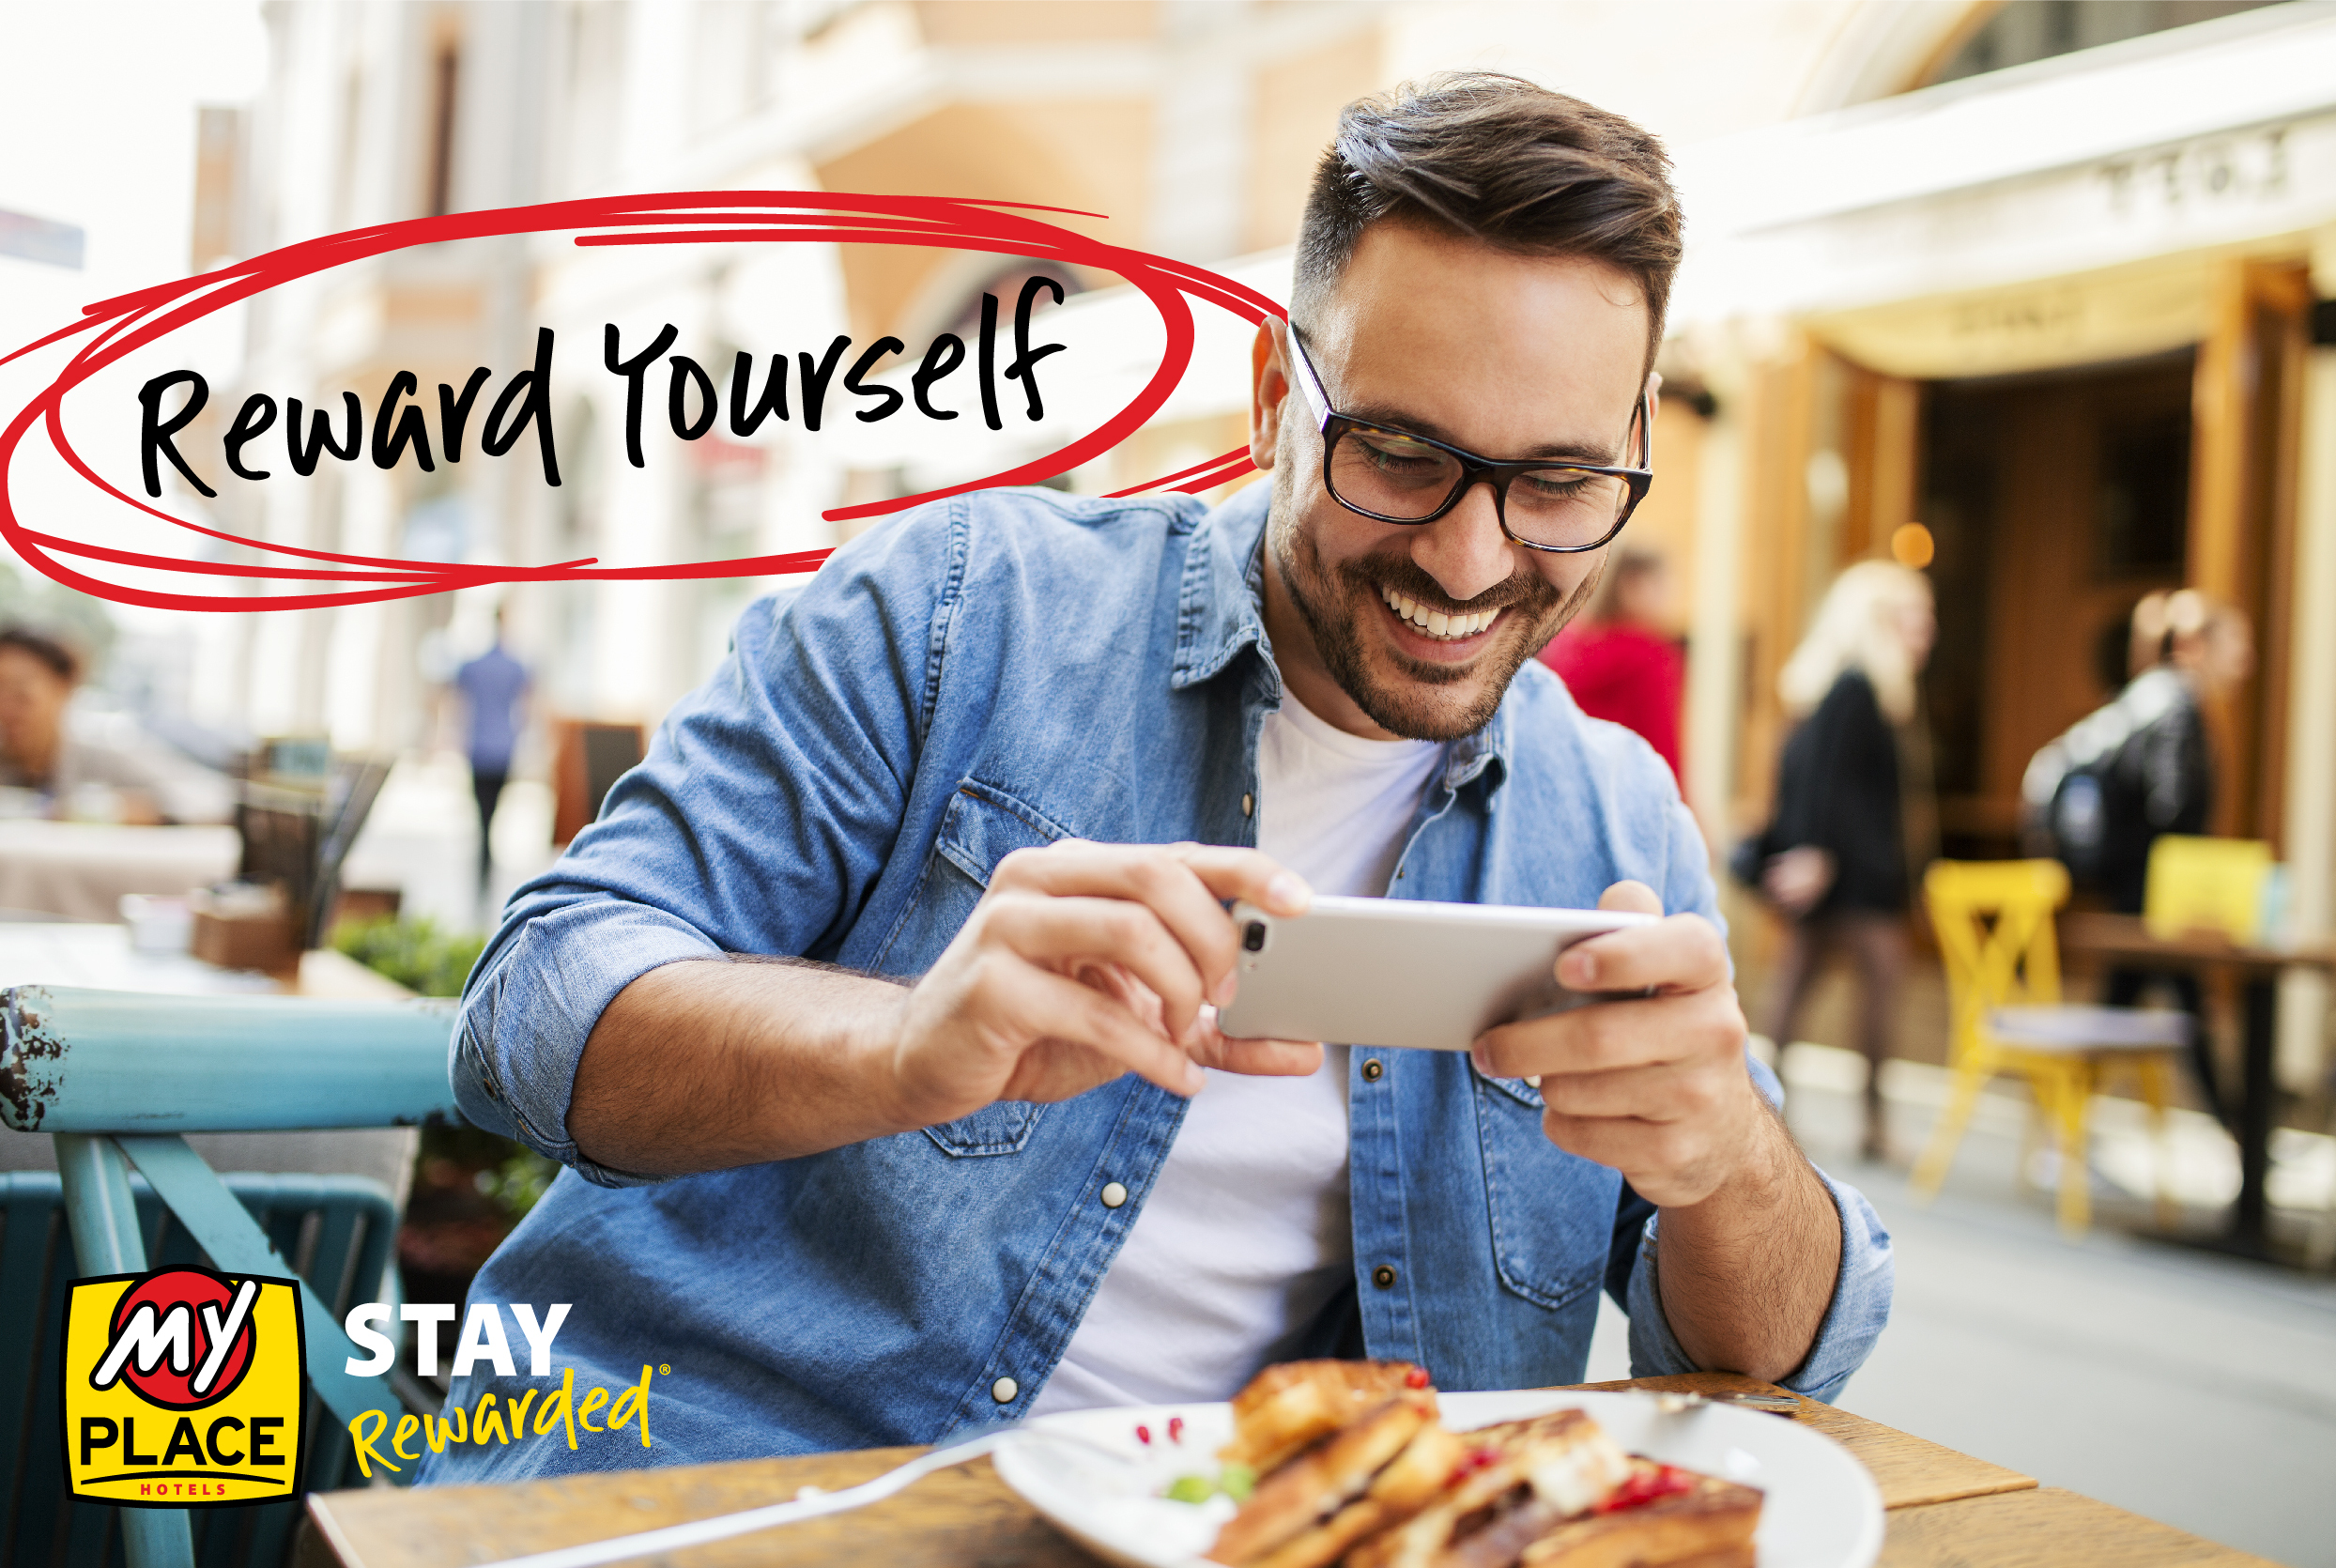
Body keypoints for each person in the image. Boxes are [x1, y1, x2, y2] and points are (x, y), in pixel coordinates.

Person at [424, 74, 1891, 1483]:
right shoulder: (962, 608)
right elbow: (534, 1007)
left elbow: (1780, 1357)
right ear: (1274, 401)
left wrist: (1728, 1160)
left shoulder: (1615, 817)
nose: (1470, 555)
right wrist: (905, 1045)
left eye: (1558, 485)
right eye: (1396, 452)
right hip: (721, 1492)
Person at [2021, 589, 2250, 1113]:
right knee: (2182, 1012)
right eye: (2236, 646)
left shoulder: (2150, 700)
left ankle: (2069, 1129)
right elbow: (2169, 810)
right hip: (2150, 895)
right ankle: (2241, 1136)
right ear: (2195, 646)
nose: (2245, 662)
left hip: (2139, 893)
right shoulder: (2174, 710)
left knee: (2134, 1008)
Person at [1751, 562, 1938, 1164]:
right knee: (1879, 985)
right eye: (1916, 616)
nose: (1927, 629)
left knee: (1797, 984)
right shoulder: (1857, 688)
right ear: (1879, 621)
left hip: (1840, 870)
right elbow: (1824, 782)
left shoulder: (1838, 687)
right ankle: (1872, 1125)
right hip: (1854, 874)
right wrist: (1814, 853)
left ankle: (1761, 1109)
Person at [0, 624, 224, 825]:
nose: (5, 708)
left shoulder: (104, 754)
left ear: (64, 687)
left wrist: (111, 810)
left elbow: (210, 798)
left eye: (21, 694)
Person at [1536, 546, 1683, 782]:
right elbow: (1664, 754)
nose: (1669, 597)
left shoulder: (1567, 650)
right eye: (1659, 585)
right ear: (1632, 585)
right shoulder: (1650, 654)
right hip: (1631, 795)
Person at [452, 610, 531, 893]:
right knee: (492, 814)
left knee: (482, 814)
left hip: (479, 748)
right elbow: (526, 708)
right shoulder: (515, 666)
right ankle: (486, 869)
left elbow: (457, 704)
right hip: (503, 748)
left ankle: (483, 870)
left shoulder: (473, 666)